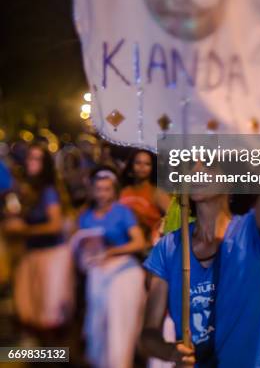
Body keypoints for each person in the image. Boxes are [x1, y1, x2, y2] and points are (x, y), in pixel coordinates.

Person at [141, 162, 260, 367]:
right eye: (190, 165)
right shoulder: (169, 248)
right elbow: (149, 334)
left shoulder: (251, 231)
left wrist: (241, 140)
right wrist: (171, 352)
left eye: (209, 164)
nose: (196, 171)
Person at [78, 167, 146, 368]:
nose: (102, 193)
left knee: (119, 324)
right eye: (99, 189)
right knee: (97, 323)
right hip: (97, 271)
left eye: (107, 189)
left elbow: (139, 242)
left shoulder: (123, 212)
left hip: (123, 270)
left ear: (114, 190)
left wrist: (111, 252)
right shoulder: (86, 216)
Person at [2, 143, 74, 329]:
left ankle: (52, 356)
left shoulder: (49, 191)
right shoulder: (27, 189)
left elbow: (55, 225)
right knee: (30, 311)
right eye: (30, 158)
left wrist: (24, 231)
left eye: (37, 159)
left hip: (50, 254)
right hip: (33, 252)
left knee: (48, 313)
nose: (31, 163)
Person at [120, 149, 170, 245]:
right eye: (138, 163)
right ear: (131, 165)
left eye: (147, 164)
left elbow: (173, 217)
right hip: (123, 245)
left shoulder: (157, 193)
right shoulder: (123, 191)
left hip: (149, 246)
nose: (142, 167)